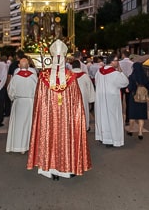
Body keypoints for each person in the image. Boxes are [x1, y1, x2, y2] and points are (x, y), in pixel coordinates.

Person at [27, 39, 91, 180]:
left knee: (49, 136)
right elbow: (77, 102)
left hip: (48, 116)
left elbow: (39, 101)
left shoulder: (43, 76)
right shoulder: (71, 77)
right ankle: (65, 169)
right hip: (65, 118)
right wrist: (76, 117)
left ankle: (48, 168)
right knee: (64, 138)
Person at [95, 55, 129, 148]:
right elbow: (125, 82)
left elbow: (96, 82)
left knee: (103, 117)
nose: (118, 62)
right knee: (113, 119)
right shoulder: (115, 74)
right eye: (116, 60)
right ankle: (112, 139)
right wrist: (121, 72)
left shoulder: (99, 72)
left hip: (101, 98)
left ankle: (103, 137)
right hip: (112, 99)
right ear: (111, 62)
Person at [6, 58, 37, 154]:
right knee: (29, 125)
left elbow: (10, 91)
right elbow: (38, 91)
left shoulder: (15, 78)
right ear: (28, 66)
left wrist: (13, 99)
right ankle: (28, 146)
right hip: (30, 102)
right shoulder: (34, 77)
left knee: (18, 125)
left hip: (18, 102)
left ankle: (18, 146)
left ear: (19, 66)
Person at [126, 62, 149, 140]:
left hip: (134, 98)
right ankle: (140, 133)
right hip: (142, 99)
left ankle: (130, 130)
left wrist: (128, 89)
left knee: (132, 115)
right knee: (141, 116)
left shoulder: (132, 77)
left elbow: (128, 89)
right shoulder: (145, 77)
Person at [71, 60, 95, 132]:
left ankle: (73, 126)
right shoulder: (84, 75)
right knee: (84, 111)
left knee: (72, 111)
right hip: (83, 96)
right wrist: (91, 98)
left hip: (72, 95)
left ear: (72, 66)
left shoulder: (69, 75)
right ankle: (85, 126)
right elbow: (90, 86)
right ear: (80, 66)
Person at [119, 50, 133, 125]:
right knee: (128, 102)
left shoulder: (119, 63)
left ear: (123, 55)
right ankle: (127, 119)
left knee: (119, 101)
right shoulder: (132, 63)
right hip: (128, 83)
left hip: (120, 83)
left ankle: (119, 118)